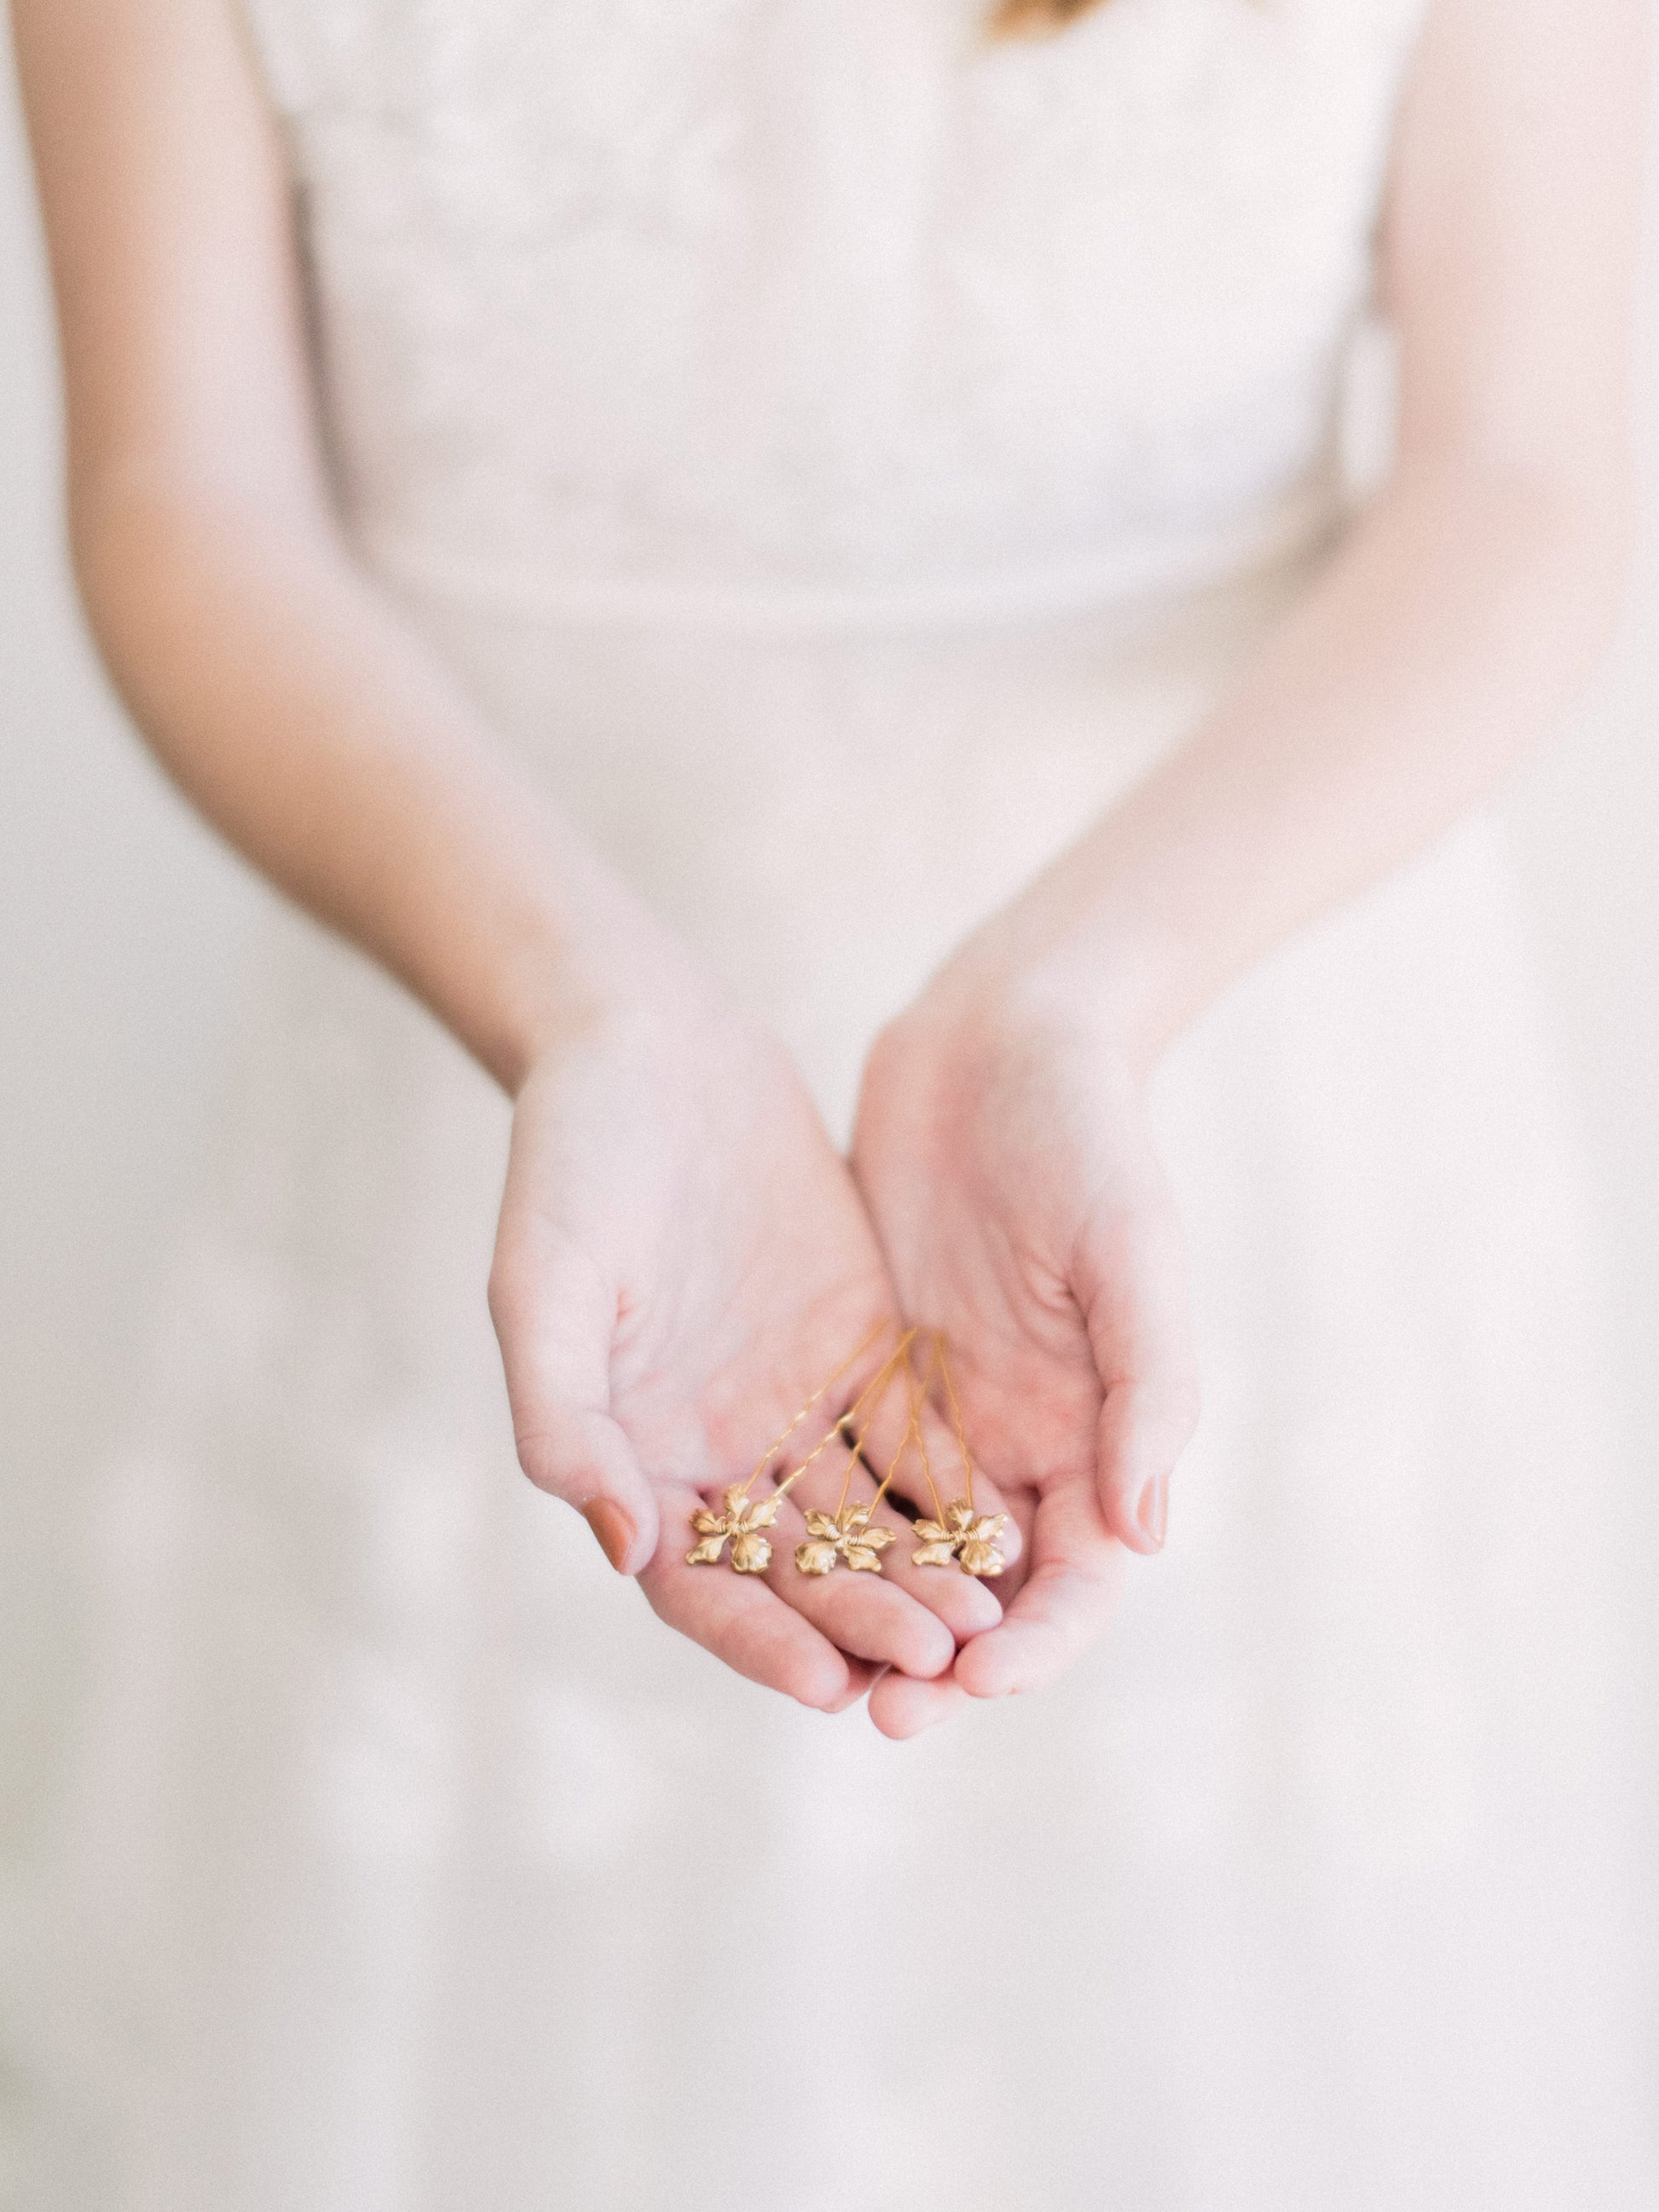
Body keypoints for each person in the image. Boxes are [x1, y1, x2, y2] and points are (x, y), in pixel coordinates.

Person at [12, 0, 1653, 2203]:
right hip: (503, 1065)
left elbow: (1524, 480)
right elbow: (184, 496)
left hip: (1229, 1052)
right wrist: (579, 1007)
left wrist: (1081, 995)